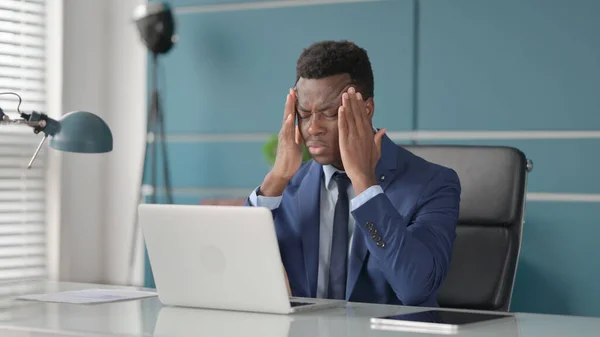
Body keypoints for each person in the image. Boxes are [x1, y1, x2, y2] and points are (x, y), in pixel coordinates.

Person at [245, 40, 461, 307]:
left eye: (329, 113)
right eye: (304, 114)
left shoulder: (434, 184)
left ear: (366, 109)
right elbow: (236, 274)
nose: (313, 128)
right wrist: (276, 179)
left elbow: (415, 288)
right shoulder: (288, 187)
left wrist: (364, 183)